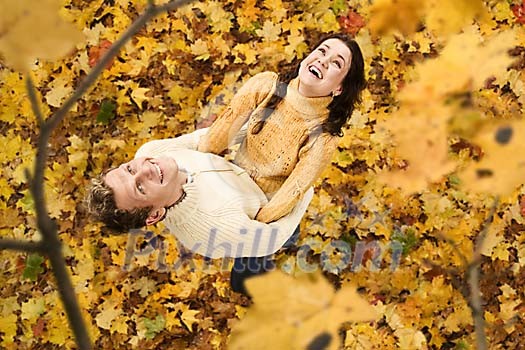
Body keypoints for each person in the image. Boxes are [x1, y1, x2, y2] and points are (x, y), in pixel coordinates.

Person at [198, 33, 366, 224]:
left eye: (337, 63)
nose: (323, 61)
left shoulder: (323, 137)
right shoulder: (266, 85)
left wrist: (255, 225)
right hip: (232, 181)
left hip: (264, 209)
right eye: (322, 51)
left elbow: (290, 193)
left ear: (339, 89)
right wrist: (198, 171)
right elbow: (216, 138)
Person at [86, 127, 313, 264]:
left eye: (129, 169)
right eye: (140, 188)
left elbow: (203, 139)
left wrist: (265, 127)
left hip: (252, 172)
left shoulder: (150, 152)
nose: (145, 169)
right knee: (267, 250)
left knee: (244, 248)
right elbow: (272, 238)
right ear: (154, 215)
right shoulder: (213, 231)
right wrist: (303, 185)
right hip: (271, 206)